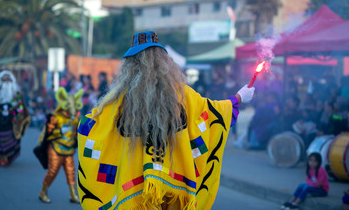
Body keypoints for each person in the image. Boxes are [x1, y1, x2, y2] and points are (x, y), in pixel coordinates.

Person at [77, 31, 255, 209]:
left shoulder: (117, 102)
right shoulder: (183, 95)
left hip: (134, 187)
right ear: (164, 61)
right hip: (173, 183)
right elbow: (211, 114)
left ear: (131, 64)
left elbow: (93, 127)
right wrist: (238, 98)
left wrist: (76, 120)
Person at [37, 87, 83, 203]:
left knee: (71, 172)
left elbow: (77, 132)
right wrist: (61, 131)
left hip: (69, 149)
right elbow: (48, 132)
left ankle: (73, 194)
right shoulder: (56, 117)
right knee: (52, 171)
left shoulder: (75, 118)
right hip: (56, 148)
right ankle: (43, 192)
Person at [0, 71, 30, 166]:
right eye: (4, 80)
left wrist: (18, 116)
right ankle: (1, 157)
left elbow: (22, 110)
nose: (6, 83)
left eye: (9, 80)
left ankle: (7, 157)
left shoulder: (17, 95)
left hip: (12, 124)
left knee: (12, 141)